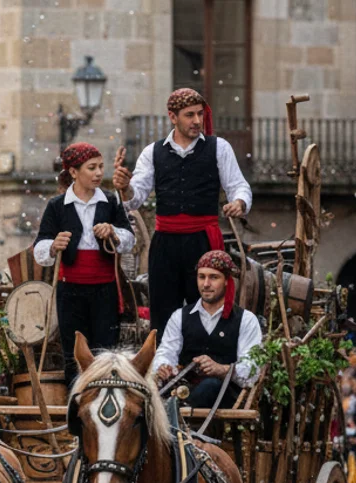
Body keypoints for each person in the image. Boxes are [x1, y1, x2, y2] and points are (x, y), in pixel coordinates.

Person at [112, 88, 253, 340]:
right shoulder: (152, 152)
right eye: (189, 115)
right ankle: (164, 361)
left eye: (200, 114)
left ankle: (205, 359)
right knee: (163, 315)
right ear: (172, 117)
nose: (197, 121)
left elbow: (238, 185)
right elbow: (136, 197)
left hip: (203, 242)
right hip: (165, 244)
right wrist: (124, 187)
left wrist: (239, 202)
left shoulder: (219, 148)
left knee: (206, 310)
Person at [34, 142, 134, 383]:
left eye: (100, 167)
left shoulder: (111, 201)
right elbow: (40, 247)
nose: (99, 173)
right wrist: (53, 245)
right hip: (70, 292)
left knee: (106, 353)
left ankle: (105, 397)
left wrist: (113, 232)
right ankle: (76, 400)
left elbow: (130, 239)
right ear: (73, 172)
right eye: (91, 168)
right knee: (74, 354)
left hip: (105, 290)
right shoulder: (57, 206)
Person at [151, 250, 261, 408]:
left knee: (210, 386)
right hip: (183, 390)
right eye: (201, 277)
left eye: (213, 277)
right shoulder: (180, 316)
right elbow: (166, 351)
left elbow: (251, 370)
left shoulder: (246, 320)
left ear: (226, 281)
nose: (206, 284)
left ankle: (177, 411)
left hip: (225, 397)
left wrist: (221, 369)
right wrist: (164, 366)